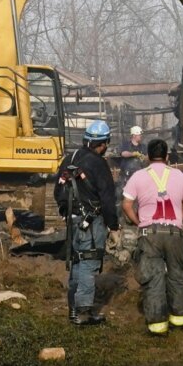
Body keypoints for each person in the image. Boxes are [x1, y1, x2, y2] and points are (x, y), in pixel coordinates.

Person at [121, 139, 183, 336]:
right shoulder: (179, 175)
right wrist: (178, 220)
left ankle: (157, 326)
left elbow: (126, 205)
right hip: (174, 234)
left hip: (149, 235)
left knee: (153, 278)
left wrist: (139, 222)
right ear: (167, 156)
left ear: (147, 156)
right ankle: (180, 320)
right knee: (178, 276)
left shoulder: (138, 176)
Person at [60, 120, 121, 325]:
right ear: (103, 144)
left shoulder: (69, 159)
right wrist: (113, 226)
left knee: (77, 261)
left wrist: (66, 213)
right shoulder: (98, 163)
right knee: (89, 262)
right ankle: (83, 312)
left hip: (73, 221)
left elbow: (58, 191)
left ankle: (73, 310)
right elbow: (107, 198)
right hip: (92, 223)